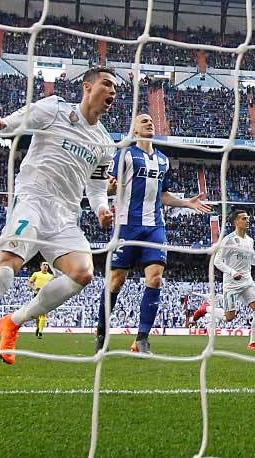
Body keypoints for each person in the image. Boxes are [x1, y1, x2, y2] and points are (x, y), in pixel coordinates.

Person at [0, 67, 118, 375]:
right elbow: (17, 121)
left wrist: (102, 208)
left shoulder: (104, 142)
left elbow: (97, 188)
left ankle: (12, 322)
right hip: (33, 199)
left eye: (115, 88)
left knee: (82, 273)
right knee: (6, 269)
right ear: (88, 87)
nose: (113, 91)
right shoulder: (55, 108)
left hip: (65, 215)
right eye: (107, 84)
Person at [97, 112, 210, 354]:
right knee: (116, 280)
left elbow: (163, 195)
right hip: (127, 226)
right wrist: (109, 189)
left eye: (151, 121)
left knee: (156, 277)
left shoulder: (162, 160)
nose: (149, 123)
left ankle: (142, 338)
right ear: (134, 130)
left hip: (155, 227)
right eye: (143, 121)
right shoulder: (125, 154)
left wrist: (186, 203)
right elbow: (107, 186)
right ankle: (102, 333)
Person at [211, 210, 255, 350]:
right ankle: (207, 309)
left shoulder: (250, 240)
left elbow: (252, 259)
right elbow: (217, 261)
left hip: (247, 281)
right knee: (229, 317)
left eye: (248, 218)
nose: (247, 221)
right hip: (231, 283)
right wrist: (232, 272)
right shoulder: (228, 240)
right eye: (244, 218)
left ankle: (253, 343)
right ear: (236, 222)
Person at [27, 263, 55, 339]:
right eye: (44, 264)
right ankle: (38, 327)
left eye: (47, 265)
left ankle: (40, 332)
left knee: (43, 314)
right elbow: (29, 283)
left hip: (46, 296)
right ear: (40, 266)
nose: (45, 266)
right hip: (37, 295)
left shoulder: (51, 276)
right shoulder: (36, 274)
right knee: (36, 315)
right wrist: (34, 288)